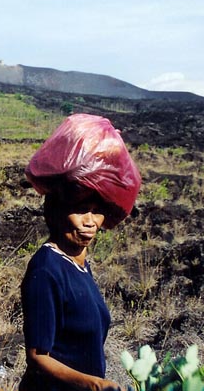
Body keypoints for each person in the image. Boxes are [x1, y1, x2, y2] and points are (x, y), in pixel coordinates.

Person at [19, 114, 141, 391]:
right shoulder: (46, 270)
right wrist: (96, 385)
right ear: (57, 210)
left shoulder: (80, 264)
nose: (90, 221)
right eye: (81, 209)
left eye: (97, 211)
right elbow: (38, 358)